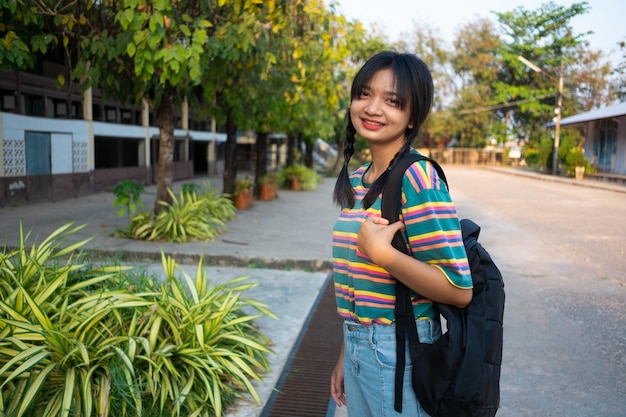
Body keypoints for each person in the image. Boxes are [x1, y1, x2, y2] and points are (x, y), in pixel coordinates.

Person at [329, 50, 473, 416]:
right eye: (364, 94)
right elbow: (359, 281)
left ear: (412, 117)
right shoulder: (360, 179)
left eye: (392, 101)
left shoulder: (417, 177)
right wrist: (347, 353)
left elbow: (459, 290)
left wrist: (385, 255)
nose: (372, 108)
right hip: (361, 343)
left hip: (400, 354)